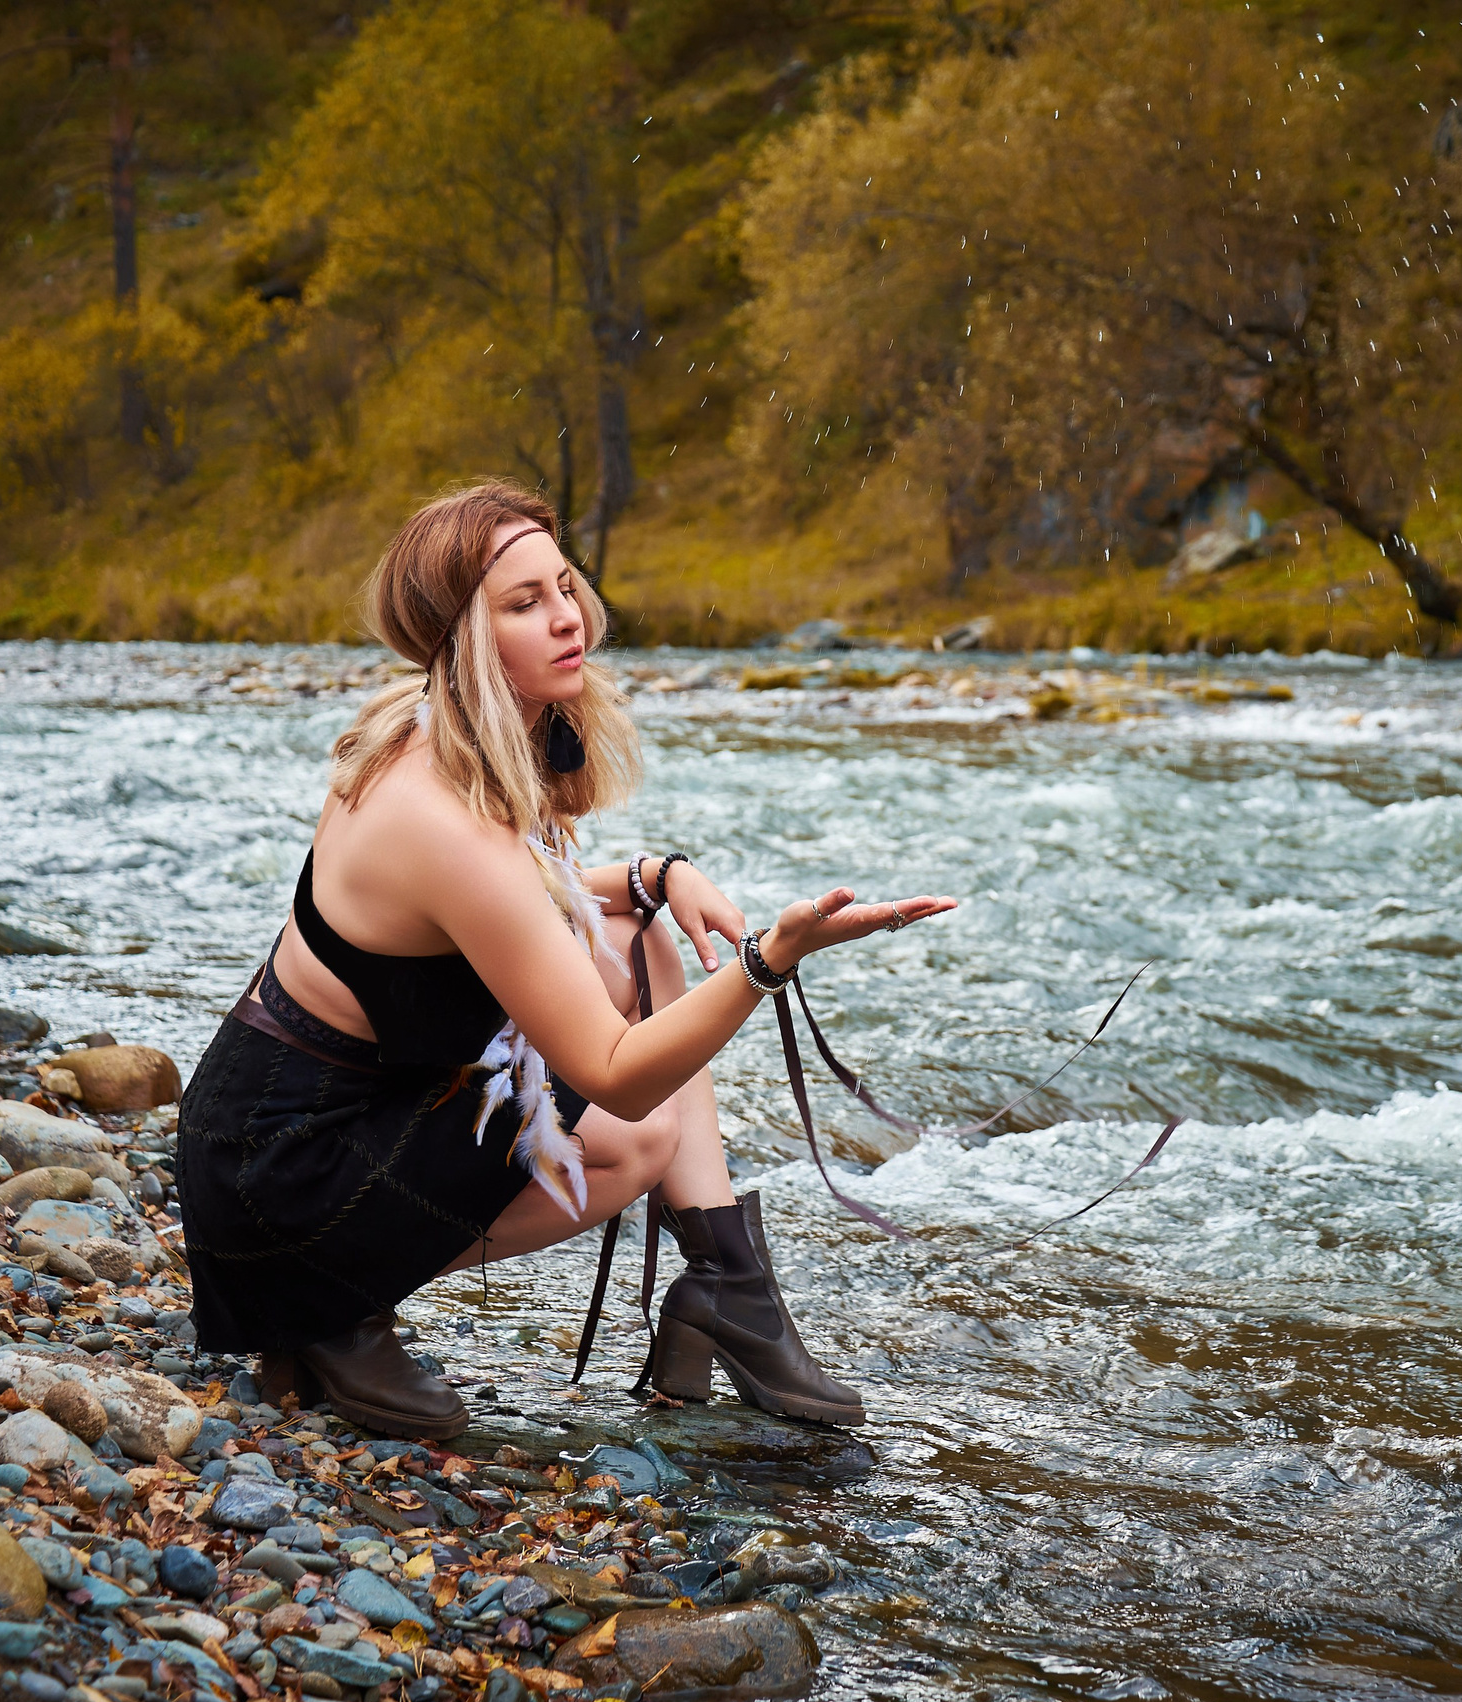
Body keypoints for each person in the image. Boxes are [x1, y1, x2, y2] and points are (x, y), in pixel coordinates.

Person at [174, 478, 954, 1440]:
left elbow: (507, 915)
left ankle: (727, 1284)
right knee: (636, 1136)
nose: (567, 618)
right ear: (464, 639)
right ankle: (332, 1307)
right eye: (523, 603)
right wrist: (766, 961)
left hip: (322, 1117)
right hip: (277, 1180)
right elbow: (616, 1079)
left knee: (640, 941)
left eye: (565, 586)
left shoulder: (448, 731)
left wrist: (654, 873)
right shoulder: (441, 817)